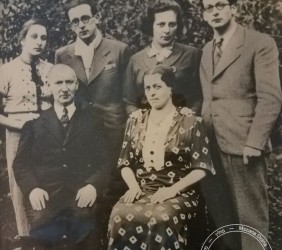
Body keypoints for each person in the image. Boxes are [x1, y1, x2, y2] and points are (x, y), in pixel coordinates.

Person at [199, 0, 282, 249]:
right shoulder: (205, 50)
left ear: (233, 9)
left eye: (220, 5)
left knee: (251, 218)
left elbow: (271, 98)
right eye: (208, 7)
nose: (214, 11)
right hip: (210, 145)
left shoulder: (259, 43)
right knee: (223, 216)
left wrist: (255, 142)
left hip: (243, 145)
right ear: (203, 15)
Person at [107, 65, 215, 250]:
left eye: (158, 86)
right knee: (119, 213)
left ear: (171, 88)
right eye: (148, 88)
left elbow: (202, 167)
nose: (152, 93)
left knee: (161, 217)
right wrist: (133, 186)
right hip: (143, 189)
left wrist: (173, 190)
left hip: (180, 191)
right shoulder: (135, 120)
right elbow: (125, 163)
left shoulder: (190, 121)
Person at [13, 64, 111, 248]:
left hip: (80, 194)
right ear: (49, 86)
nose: (64, 88)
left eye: (68, 82)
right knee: (45, 230)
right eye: (58, 83)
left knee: (85, 231)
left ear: (76, 85)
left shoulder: (93, 121)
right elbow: (21, 164)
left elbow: (106, 161)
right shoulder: (34, 125)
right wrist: (33, 188)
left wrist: (93, 185)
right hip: (47, 196)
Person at [55, 0, 131, 161]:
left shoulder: (119, 50)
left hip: (113, 131)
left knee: (115, 182)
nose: (81, 25)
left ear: (96, 18)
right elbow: (60, 97)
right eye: (75, 22)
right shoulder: (62, 55)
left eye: (85, 18)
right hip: (78, 132)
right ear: (70, 26)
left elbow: (128, 95)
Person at [0, 18, 53, 236]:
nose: (39, 42)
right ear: (22, 40)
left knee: (47, 181)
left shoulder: (51, 69)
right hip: (18, 134)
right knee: (21, 186)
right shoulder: (7, 70)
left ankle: (49, 237)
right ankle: (25, 237)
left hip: (48, 134)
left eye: (43, 38)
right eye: (33, 36)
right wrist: (18, 123)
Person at [123, 0, 202, 116]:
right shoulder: (136, 60)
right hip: (148, 128)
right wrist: (137, 116)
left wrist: (191, 114)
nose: (166, 30)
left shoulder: (192, 54)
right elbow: (129, 102)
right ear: (151, 26)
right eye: (161, 24)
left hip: (182, 125)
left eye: (172, 24)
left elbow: (200, 96)